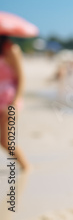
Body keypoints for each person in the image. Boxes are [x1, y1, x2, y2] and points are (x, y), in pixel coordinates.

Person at [0, 35, 31, 171]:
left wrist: (15, 102)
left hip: (8, 99)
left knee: (6, 141)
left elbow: (21, 77)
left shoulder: (11, 49)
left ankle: (26, 168)